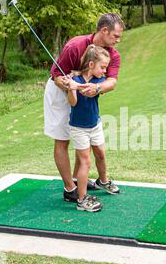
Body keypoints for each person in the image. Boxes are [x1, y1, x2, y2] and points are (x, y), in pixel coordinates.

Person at [43, 13, 124, 202]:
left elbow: (111, 82)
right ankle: (70, 188)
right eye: (116, 36)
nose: (118, 41)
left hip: (86, 94)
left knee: (84, 137)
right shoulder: (75, 46)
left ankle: (79, 178)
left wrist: (96, 87)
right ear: (104, 31)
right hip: (59, 93)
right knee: (63, 140)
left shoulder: (113, 54)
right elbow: (56, 75)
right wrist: (69, 84)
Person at [66, 45, 118, 212]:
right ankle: (81, 200)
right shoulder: (76, 79)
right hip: (78, 128)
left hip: (95, 125)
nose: (104, 72)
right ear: (90, 65)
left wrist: (77, 85)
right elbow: (73, 102)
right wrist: (71, 88)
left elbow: (91, 92)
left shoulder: (98, 82)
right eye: (102, 67)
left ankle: (102, 181)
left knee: (100, 155)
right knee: (85, 162)